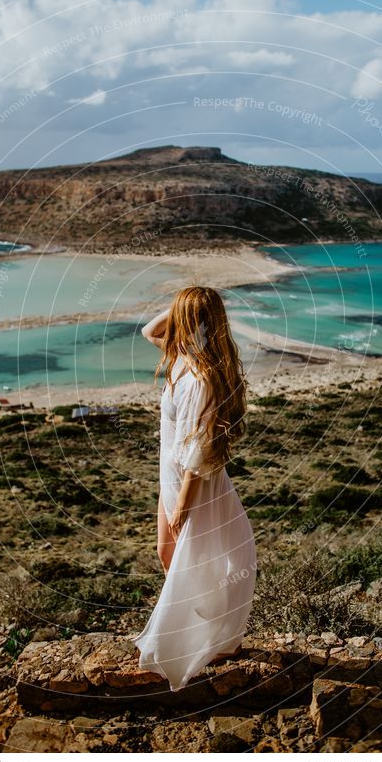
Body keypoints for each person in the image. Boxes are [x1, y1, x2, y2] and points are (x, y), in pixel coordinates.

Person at [131, 286, 257, 692]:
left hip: (193, 481)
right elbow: (149, 330)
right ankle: (208, 633)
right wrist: (182, 305)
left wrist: (183, 501)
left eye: (183, 316)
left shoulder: (202, 377)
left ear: (196, 322)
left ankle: (211, 639)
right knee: (169, 554)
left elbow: (199, 447)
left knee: (193, 560)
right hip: (170, 474)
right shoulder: (180, 358)